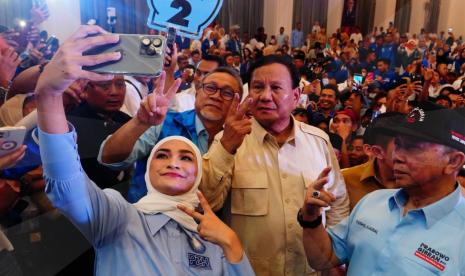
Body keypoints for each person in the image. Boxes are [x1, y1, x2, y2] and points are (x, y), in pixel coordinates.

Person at [34, 25, 254, 275]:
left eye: (186, 157)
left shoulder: (216, 242)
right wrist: (49, 95)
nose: (173, 163)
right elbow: (70, 185)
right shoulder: (118, 220)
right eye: (161, 154)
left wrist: (233, 245)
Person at [201, 55, 349, 275]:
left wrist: (332, 256)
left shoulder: (318, 141)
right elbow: (208, 204)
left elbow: (338, 204)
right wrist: (225, 148)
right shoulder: (229, 140)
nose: (265, 96)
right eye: (258, 87)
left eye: (276, 88)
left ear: (296, 96)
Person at [301, 102, 465, 275]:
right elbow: (322, 258)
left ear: (453, 161)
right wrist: (311, 218)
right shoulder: (372, 202)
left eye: (413, 148)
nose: (398, 156)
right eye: (399, 145)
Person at [99, 66, 243, 202]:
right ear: (197, 91)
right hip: (146, 221)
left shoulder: (239, 140)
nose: (216, 96)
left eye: (227, 93)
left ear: (238, 104)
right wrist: (140, 122)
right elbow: (109, 158)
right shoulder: (164, 122)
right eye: (210, 88)